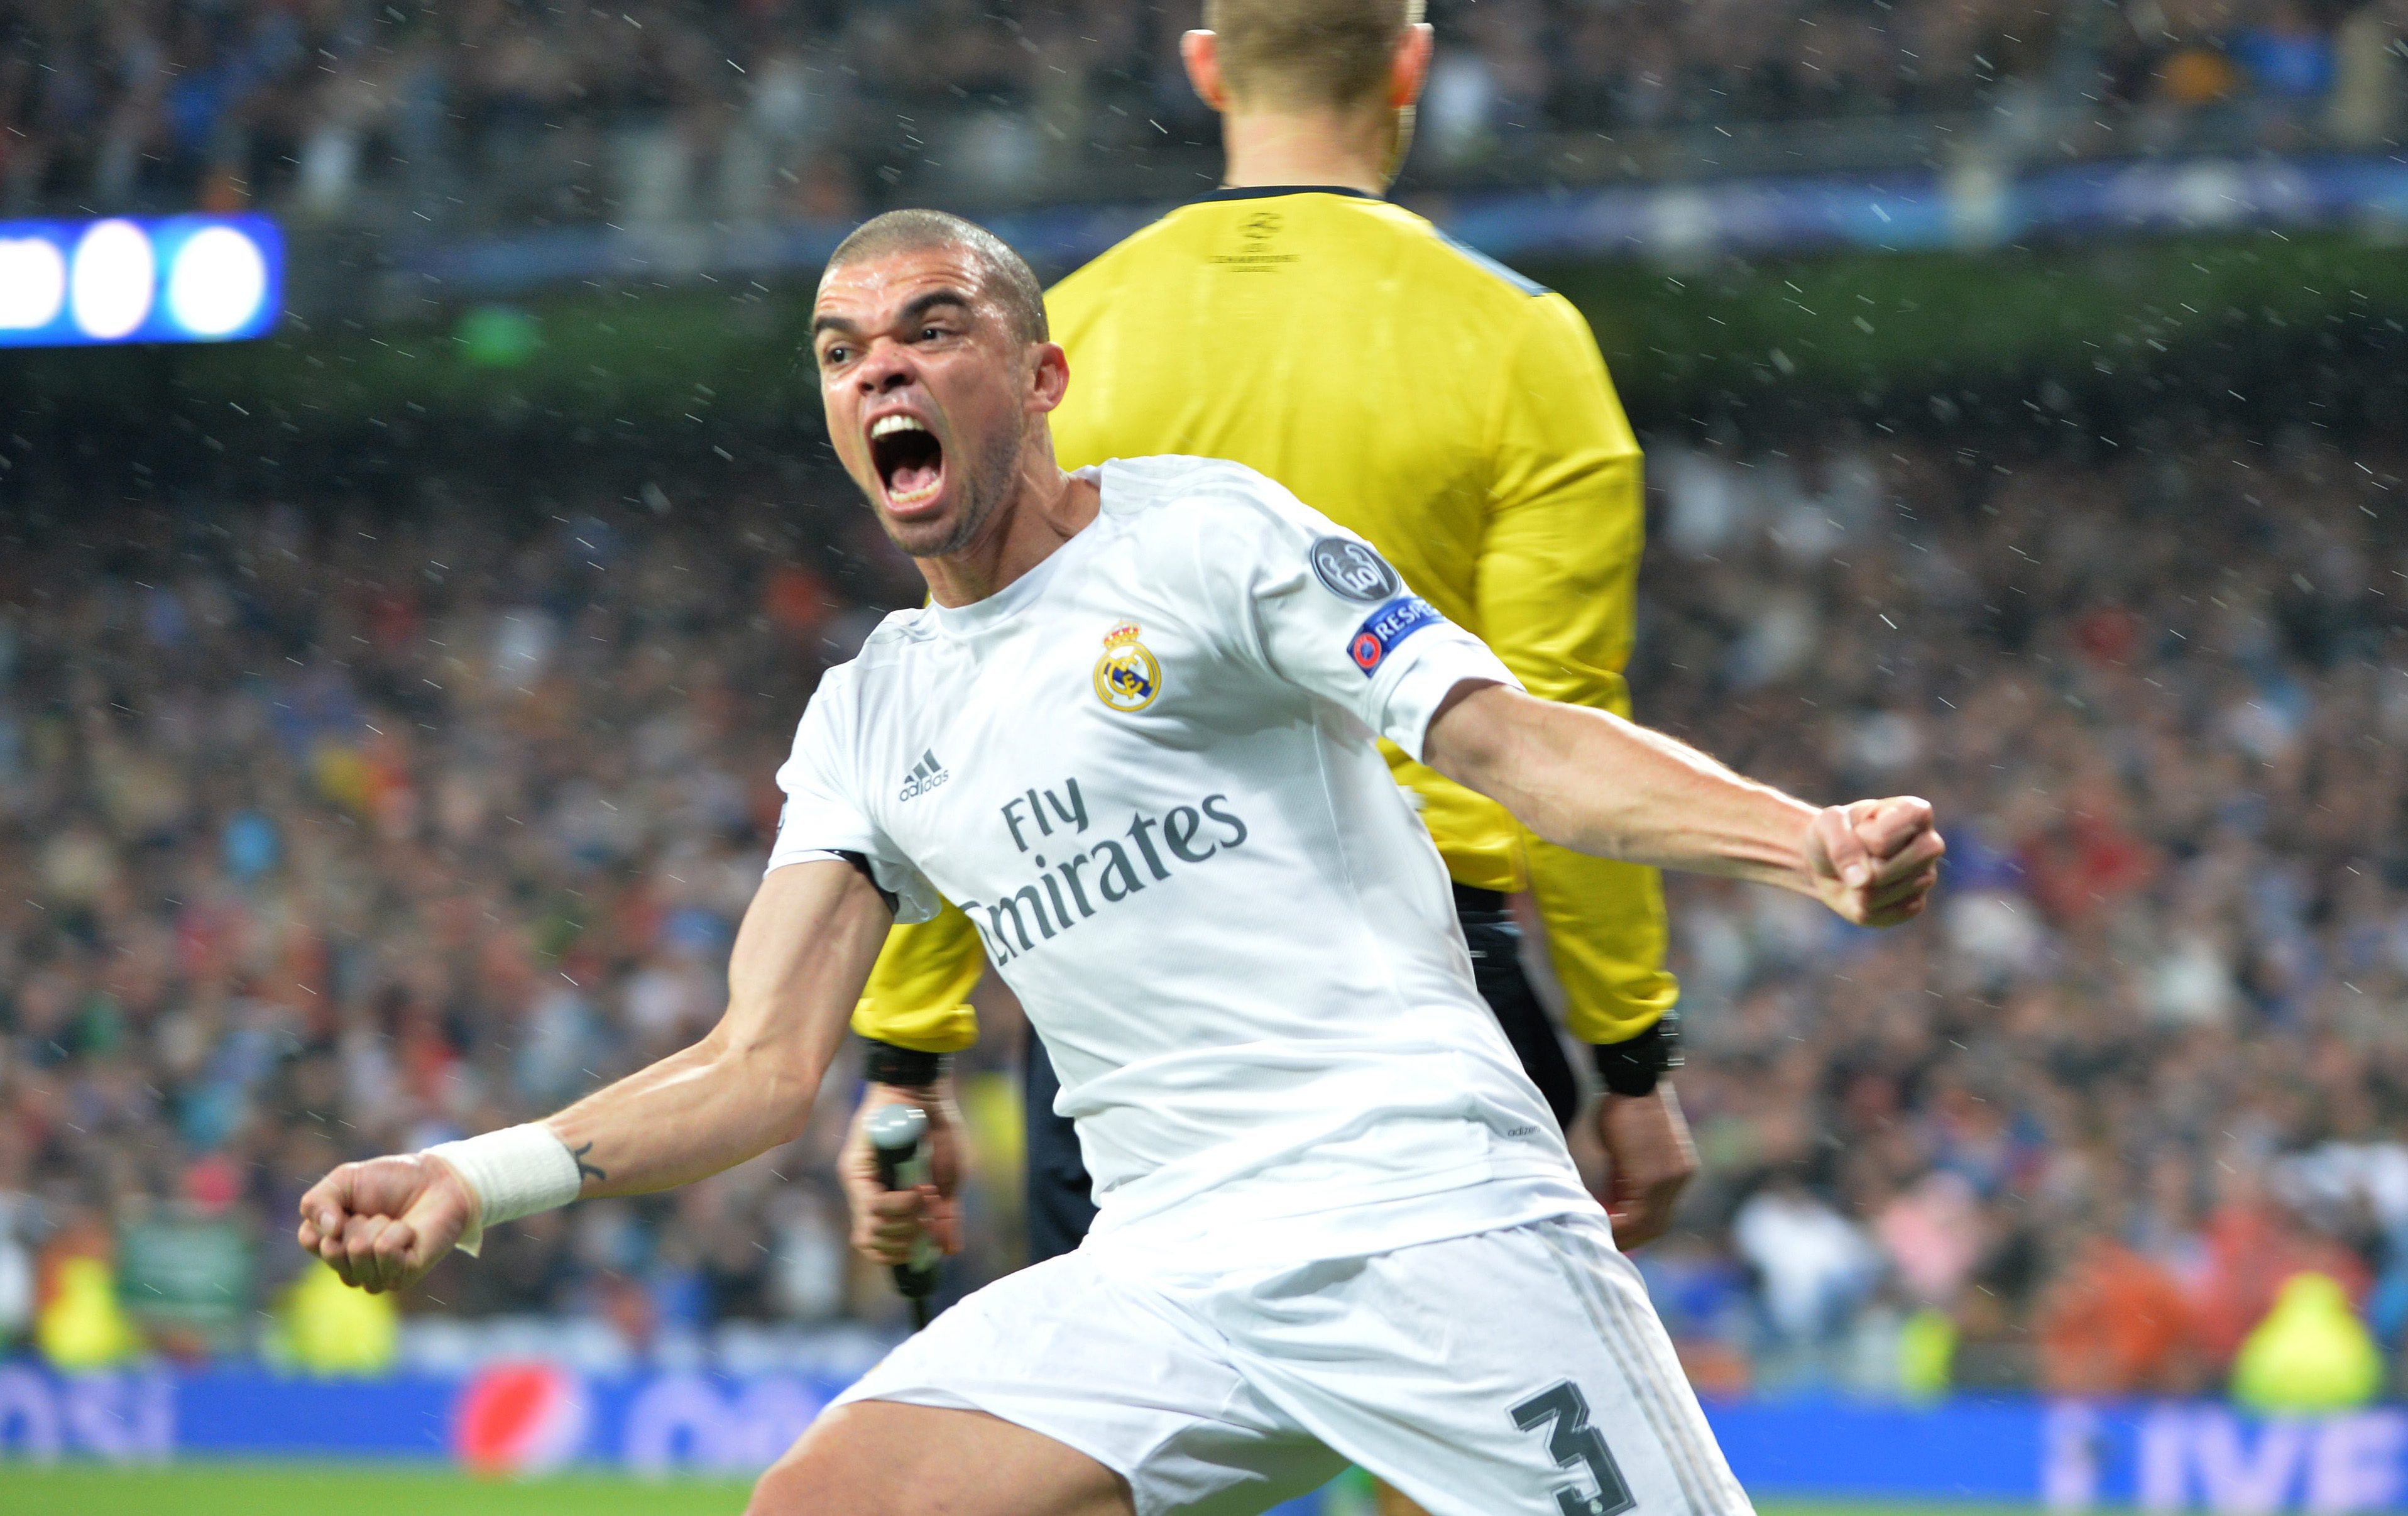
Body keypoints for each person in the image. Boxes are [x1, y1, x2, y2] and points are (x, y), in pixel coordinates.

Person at [295, 212, 1944, 1516]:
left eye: (934, 329)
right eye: (842, 349)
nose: (885, 371)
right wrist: (474, 1173)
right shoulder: (870, 714)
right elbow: (754, 1063)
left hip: (1425, 1214)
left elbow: (1509, 742)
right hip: (1165, 1266)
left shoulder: (1206, 538)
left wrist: (1797, 842)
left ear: (1043, 377)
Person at [846, 0, 1699, 1288]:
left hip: (1121, 995)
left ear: (1205, 68)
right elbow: (1554, 717)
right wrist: (1627, 1056)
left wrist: (907, 1064)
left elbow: (963, 701)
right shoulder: (1520, 343)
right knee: (1474, 1456)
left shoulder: (1056, 344)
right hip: (1422, 979)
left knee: (1136, 1462)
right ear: (1410, 63)